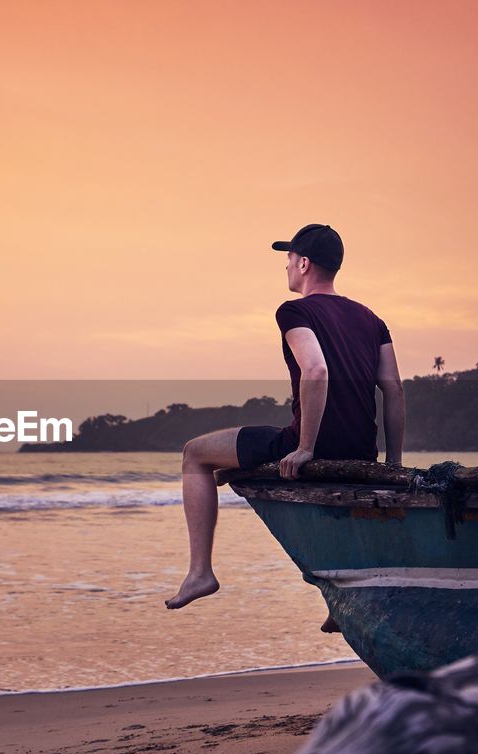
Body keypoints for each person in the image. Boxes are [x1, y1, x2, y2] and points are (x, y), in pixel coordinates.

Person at [165, 223, 405, 610]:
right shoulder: (371, 319)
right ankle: (341, 597)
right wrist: (392, 463)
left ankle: (200, 573)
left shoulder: (295, 311)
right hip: (362, 450)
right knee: (233, 464)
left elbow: (316, 371)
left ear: (304, 263)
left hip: (312, 442)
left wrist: (306, 447)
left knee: (195, 454)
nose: (287, 267)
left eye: (290, 259)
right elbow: (393, 389)